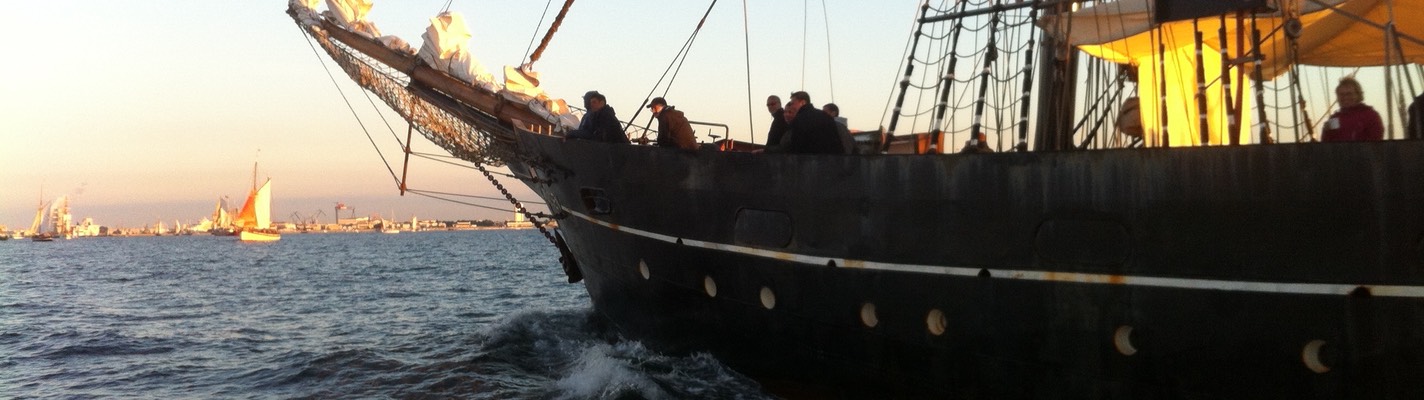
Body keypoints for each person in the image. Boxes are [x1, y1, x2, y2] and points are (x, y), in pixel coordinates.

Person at [778, 91, 847, 154]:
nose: (791, 106)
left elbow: (796, 145)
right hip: (833, 160)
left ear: (802, 102)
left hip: (810, 161)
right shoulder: (824, 115)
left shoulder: (799, 119)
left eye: (793, 103)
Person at [1321, 77, 1383, 142]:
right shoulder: (1334, 119)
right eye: (1341, 94)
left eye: (1349, 94)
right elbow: (1326, 144)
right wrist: (1326, 131)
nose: (1345, 97)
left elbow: (1376, 143)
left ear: (1358, 95)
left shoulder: (1370, 116)